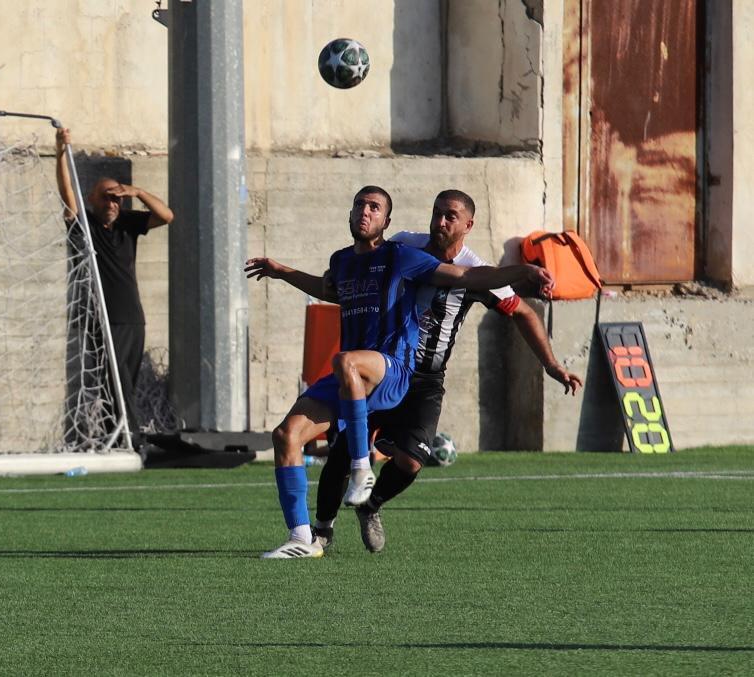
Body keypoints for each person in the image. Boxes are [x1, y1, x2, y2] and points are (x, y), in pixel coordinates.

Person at [245, 185, 554, 559]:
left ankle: (367, 488)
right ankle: (305, 537)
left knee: (402, 453)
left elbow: (474, 281)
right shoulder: (355, 257)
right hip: (361, 371)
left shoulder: (405, 256)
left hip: (403, 370)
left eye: (374, 207)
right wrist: (282, 272)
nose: (365, 212)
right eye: (359, 204)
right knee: (287, 434)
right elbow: (333, 290)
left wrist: (524, 276)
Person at [312, 189, 583, 553]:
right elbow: (364, 257)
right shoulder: (407, 245)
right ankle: (321, 531)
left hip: (425, 379)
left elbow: (522, 312)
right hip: (385, 364)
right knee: (343, 451)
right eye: (437, 213)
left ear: (468, 225)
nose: (440, 222)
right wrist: (334, 272)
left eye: (450, 216)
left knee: (410, 463)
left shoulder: (477, 272)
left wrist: (551, 364)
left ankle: (371, 505)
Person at [55, 128, 174, 452]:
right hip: (102, 317)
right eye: (106, 196)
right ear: (93, 200)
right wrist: (60, 151)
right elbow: (67, 194)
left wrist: (137, 191)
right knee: (114, 381)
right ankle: (129, 439)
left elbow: (166, 215)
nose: (112, 202)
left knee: (125, 382)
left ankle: (121, 436)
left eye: (117, 197)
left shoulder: (127, 224)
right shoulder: (86, 226)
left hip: (132, 317)